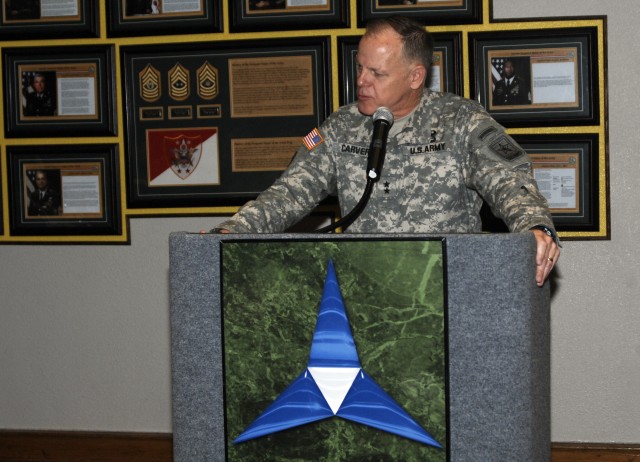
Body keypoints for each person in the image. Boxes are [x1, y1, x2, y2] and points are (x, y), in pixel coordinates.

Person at [211, 16, 560, 286]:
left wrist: (534, 226)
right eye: (360, 67)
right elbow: (288, 194)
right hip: (363, 293)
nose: (361, 80)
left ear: (415, 77)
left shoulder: (461, 122)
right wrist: (232, 231)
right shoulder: (340, 127)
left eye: (376, 72)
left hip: (445, 290)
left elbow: (510, 181)